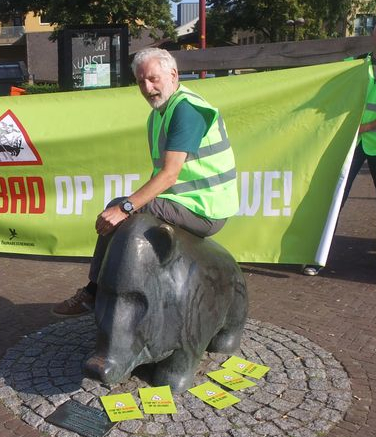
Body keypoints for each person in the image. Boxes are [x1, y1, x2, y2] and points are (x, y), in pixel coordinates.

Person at [53, 48, 238, 316]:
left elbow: (169, 175)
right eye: (141, 81)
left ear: (173, 75)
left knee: (120, 208)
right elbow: (162, 174)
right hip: (186, 201)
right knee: (126, 209)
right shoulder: (160, 114)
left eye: (153, 79)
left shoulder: (186, 110)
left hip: (204, 208)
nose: (147, 87)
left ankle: (93, 293)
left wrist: (125, 208)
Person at [303, 14, 376, 277]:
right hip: (351, 144)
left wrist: (365, 127)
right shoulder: (353, 64)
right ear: (372, 34)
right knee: (334, 198)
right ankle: (317, 255)